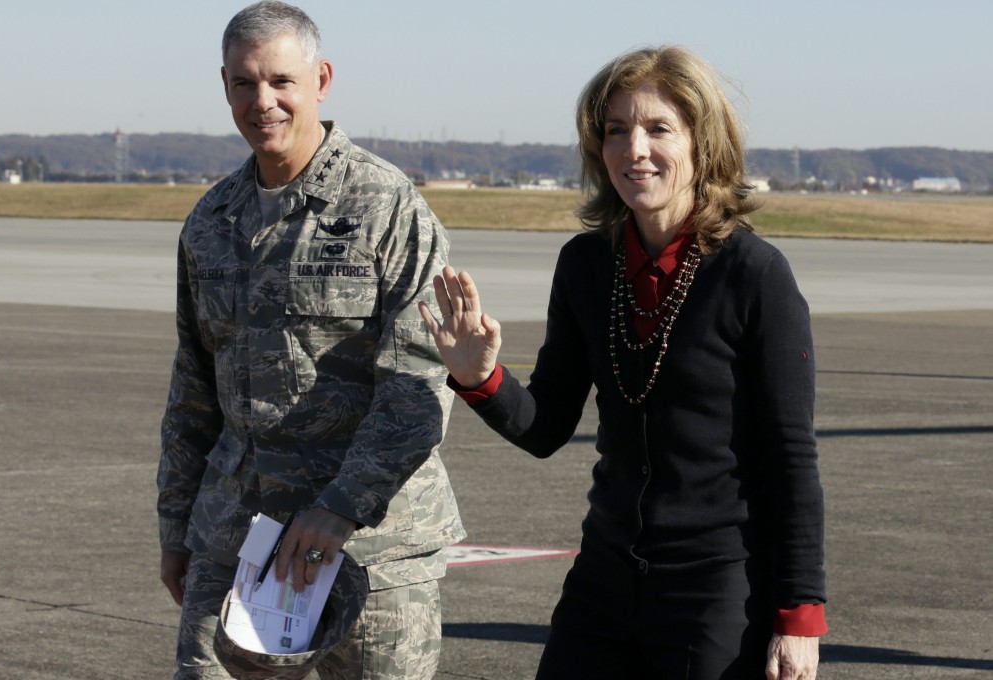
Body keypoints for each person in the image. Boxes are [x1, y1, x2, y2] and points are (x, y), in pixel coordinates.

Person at [419, 46, 827, 680]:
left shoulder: (756, 275)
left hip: (716, 585)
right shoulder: (585, 264)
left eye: (658, 128)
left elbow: (791, 457)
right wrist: (481, 379)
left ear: (702, 144)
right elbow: (547, 426)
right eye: (615, 131)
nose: (634, 148)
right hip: (606, 578)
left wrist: (799, 616)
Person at [157, 2, 464, 678]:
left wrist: (338, 510)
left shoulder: (385, 206)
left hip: (371, 548)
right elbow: (192, 393)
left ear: (321, 80)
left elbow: (417, 385)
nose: (262, 101)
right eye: (243, 84)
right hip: (240, 539)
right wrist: (177, 528)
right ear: (225, 87)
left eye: (280, 82)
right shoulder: (211, 221)